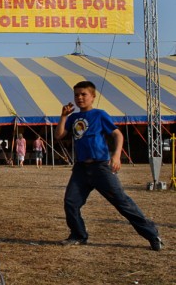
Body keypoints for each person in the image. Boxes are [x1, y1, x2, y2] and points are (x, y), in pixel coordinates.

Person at [54, 80, 163, 251]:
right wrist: (63, 116)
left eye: (84, 94)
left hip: (100, 167)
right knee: (71, 202)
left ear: (93, 97)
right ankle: (78, 235)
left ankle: (152, 234)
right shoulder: (73, 118)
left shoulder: (99, 115)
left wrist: (116, 155)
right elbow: (59, 135)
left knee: (122, 202)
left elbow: (118, 135)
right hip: (81, 169)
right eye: (76, 95)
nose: (80, 98)